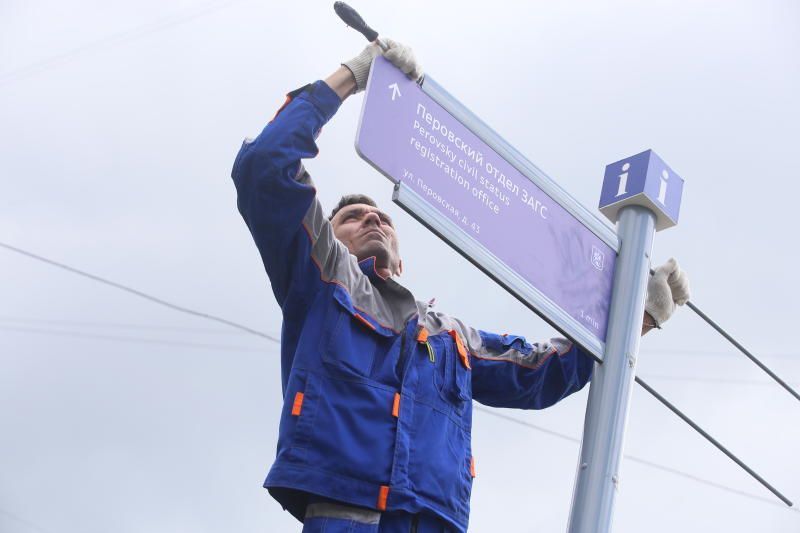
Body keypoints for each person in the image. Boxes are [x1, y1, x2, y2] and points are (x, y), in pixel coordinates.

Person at [231, 39, 690, 533]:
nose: (372, 220)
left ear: (401, 258)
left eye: (382, 216)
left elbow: (539, 373)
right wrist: (355, 74)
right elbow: (265, 167)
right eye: (352, 218)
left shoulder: (450, 337)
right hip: (347, 517)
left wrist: (639, 318)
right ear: (327, 235)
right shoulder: (321, 276)